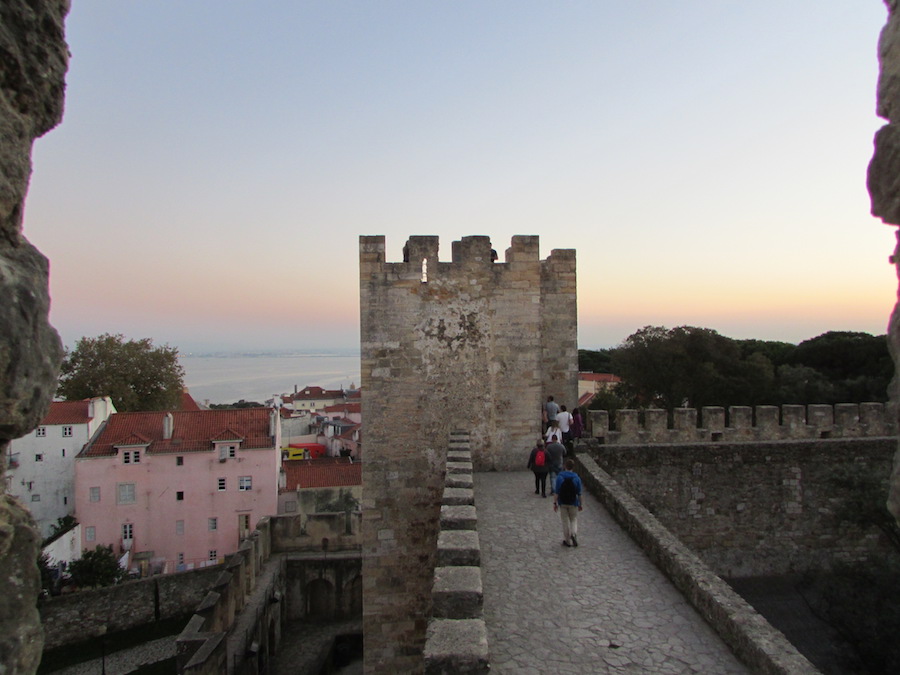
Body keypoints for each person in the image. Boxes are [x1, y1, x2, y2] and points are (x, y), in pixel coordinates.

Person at [553, 459, 583, 547]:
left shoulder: (560, 477)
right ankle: (573, 534)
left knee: (565, 521)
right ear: (573, 467)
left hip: (563, 502)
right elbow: (579, 493)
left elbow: (556, 492)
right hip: (573, 502)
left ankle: (567, 541)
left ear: (565, 466)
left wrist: (555, 503)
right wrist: (580, 504)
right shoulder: (576, 478)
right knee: (573, 519)